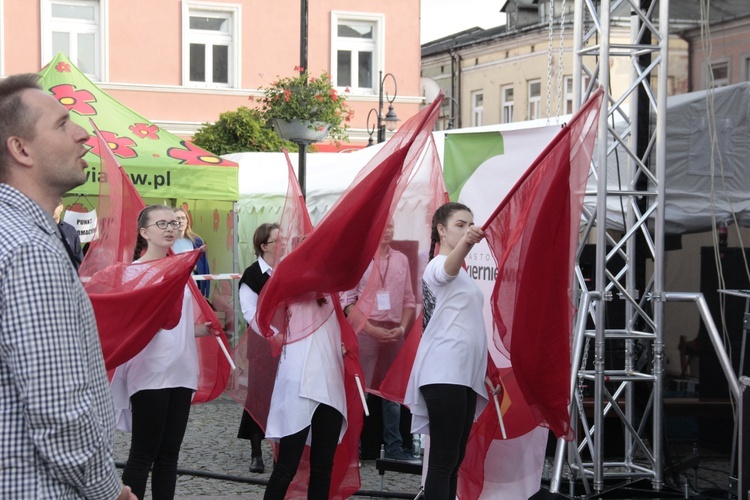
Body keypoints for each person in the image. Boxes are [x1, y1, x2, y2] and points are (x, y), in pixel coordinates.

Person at [0, 73, 135, 499]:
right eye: (61, 124)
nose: (82, 135)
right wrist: (109, 490)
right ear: (21, 149)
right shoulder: (28, 248)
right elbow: (58, 409)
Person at [110, 204, 212, 499]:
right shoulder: (133, 273)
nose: (170, 228)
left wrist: (205, 330)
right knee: (143, 453)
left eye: (173, 223)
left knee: (169, 455)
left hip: (181, 370)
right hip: (151, 372)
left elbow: (177, 325)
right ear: (144, 232)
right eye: (162, 224)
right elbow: (132, 325)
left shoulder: (181, 271)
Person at [404, 202, 491, 500]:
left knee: (452, 461)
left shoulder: (463, 276)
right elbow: (447, 271)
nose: (467, 229)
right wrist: (467, 242)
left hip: (464, 376)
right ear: (441, 229)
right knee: (443, 461)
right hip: (444, 373)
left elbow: (470, 325)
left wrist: (485, 369)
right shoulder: (437, 265)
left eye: (470, 224)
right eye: (460, 224)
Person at [344, 221, 419, 463]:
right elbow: (347, 302)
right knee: (360, 391)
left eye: (391, 226)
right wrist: (370, 329)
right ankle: (352, 447)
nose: (388, 231)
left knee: (392, 393)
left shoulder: (401, 260)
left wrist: (402, 328)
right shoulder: (361, 260)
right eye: (384, 226)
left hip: (394, 332)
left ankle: (394, 447)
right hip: (366, 331)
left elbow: (409, 299)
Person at [261, 295, 348, 500]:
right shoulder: (294, 284)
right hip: (298, 383)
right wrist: (275, 334)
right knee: (286, 466)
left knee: (323, 467)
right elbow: (262, 313)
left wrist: (343, 343)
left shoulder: (336, 289)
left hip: (329, 381)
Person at [236, 222, 279, 473]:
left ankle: (282, 449)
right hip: (263, 345)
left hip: (288, 345)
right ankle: (256, 453)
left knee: (283, 396)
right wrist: (274, 334)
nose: (283, 245)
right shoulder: (252, 275)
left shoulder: (286, 270)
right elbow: (251, 314)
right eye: (277, 241)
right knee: (259, 397)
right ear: (264, 246)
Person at [173, 206, 211, 299]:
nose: (181, 221)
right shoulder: (166, 242)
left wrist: (194, 266)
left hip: (191, 287)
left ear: (187, 221)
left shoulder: (196, 241)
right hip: (172, 286)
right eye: (177, 218)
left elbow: (203, 266)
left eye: (183, 218)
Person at [53, 202, 84, 269]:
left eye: (56, 205)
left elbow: (79, 260)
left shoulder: (71, 231)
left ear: (61, 207)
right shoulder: (38, 230)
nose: (53, 208)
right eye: (49, 204)